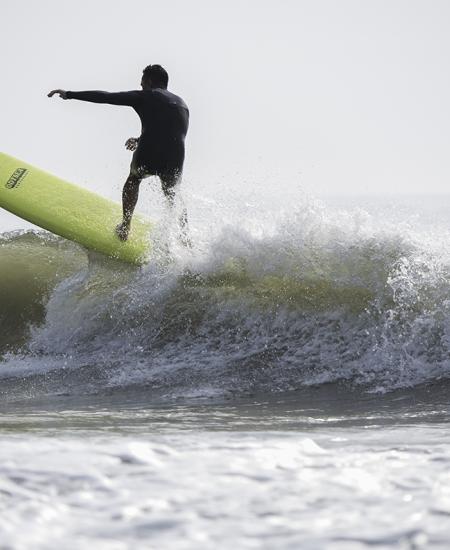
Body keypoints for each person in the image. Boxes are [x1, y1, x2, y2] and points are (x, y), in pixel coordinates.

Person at [48, 64, 189, 242]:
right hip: (175, 157)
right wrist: (139, 140)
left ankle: (125, 226)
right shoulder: (182, 105)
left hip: (150, 152)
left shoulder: (145, 95)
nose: (140, 85)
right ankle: (185, 238)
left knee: (134, 178)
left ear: (149, 81)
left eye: (142, 81)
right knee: (173, 195)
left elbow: (106, 97)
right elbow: (168, 133)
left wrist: (69, 94)